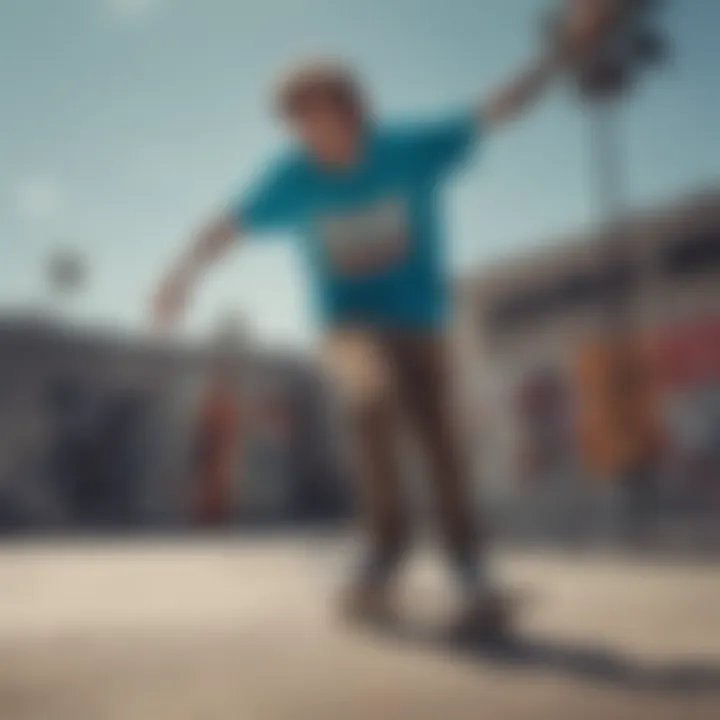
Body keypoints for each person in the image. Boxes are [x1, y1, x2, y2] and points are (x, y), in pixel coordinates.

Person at [153, 5, 614, 633]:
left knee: (439, 441)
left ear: (352, 109)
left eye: (323, 116)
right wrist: (180, 277)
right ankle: (383, 556)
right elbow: (227, 224)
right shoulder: (291, 176)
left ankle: (468, 566)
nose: (315, 136)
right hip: (349, 325)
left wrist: (561, 52)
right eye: (299, 123)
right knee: (371, 413)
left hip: (422, 322)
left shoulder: (410, 148)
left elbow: (497, 108)